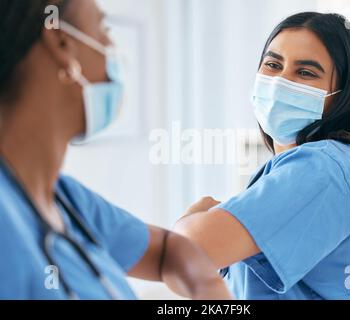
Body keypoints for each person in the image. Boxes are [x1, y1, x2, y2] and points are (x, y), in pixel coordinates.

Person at [0, 0, 232, 300]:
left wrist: (209, 292)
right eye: (103, 29)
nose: (111, 48)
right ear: (61, 42)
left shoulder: (66, 200)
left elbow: (166, 250)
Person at [174, 12, 350, 300]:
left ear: (341, 95)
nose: (280, 82)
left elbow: (186, 253)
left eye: (305, 72)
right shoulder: (289, 171)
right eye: (273, 65)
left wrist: (189, 221)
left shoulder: (325, 166)